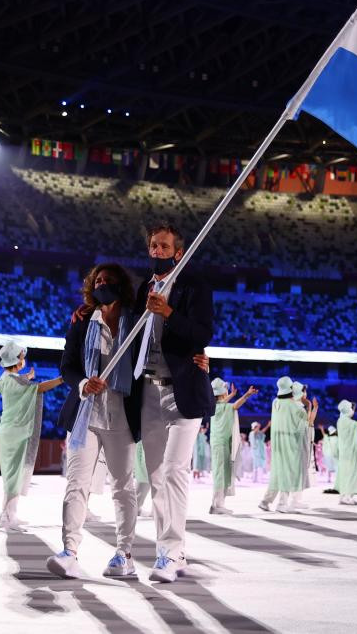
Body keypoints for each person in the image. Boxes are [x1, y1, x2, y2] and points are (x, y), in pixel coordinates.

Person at [123, 224, 214, 584]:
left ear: (178, 252)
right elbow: (128, 331)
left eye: (164, 246)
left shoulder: (195, 285)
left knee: (176, 470)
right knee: (158, 476)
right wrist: (88, 314)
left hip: (183, 390)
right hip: (147, 390)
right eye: (152, 246)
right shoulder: (144, 289)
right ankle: (169, 551)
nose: (157, 251)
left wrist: (169, 313)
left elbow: (203, 334)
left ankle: (172, 551)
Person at [49, 264, 142, 579]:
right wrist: (81, 383)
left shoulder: (136, 319)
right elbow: (67, 366)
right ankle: (69, 551)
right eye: (98, 281)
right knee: (77, 484)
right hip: (86, 414)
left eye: (109, 280)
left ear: (120, 285)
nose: (103, 284)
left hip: (123, 416)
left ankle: (123, 554)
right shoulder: (83, 320)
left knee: (123, 488)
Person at [0, 341, 62, 532]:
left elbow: (19, 382)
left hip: (9, 429)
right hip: (17, 430)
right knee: (14, 475)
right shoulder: (16, 380)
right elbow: (38, 388)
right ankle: (8, 517)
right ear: (17, 360)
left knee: (11, 474)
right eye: (22, 357)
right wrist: (60, 379)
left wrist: (27, 376)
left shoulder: (5, 377)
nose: (24, 360)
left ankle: (7, 513)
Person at [259, 377, 311, 513]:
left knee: (277, 473)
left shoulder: (275, 402)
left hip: (277, 443)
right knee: (288, 472)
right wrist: (309, 406)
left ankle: (265, 501)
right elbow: (306, 424)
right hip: (290, 443)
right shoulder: (295, 406)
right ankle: (282, 503)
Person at [209, 379, 255, 514]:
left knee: (223, 474)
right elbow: (235, 405)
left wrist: (233, 394)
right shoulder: (220, 407)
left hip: (222, 444)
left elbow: (224, 402)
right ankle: (217, 505)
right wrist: (246, 395)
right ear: (223, 393)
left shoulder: (215, 406)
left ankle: (218, 505)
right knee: (220, 475)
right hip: (220, 445)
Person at [333, 400, 357, 504]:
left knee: (345, 474)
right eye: (351, 408)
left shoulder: (341, 420)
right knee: (351, 474)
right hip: (350, 452)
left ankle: (343, 497)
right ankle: (347, 497)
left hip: (345, 452)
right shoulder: (345, 421)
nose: (353, 410)